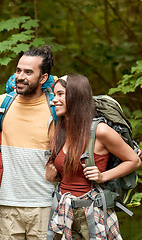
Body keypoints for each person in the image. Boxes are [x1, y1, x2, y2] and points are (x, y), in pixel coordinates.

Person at [45, 74, 141, 239]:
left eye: (60, 94)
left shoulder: (100, 131)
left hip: (92, 213)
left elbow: (134, 160)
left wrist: (103, 175)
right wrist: (51, 175)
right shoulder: (59, 130)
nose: (54, 100)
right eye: (54, 94)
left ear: (76, 95)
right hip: (64, 212)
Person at [0, 46, 56, 239]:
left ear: (43, 78)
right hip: (7, 203)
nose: (20, 76)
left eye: (28, 72)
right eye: (18, 70)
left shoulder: (56, 108)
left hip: (44, 204)